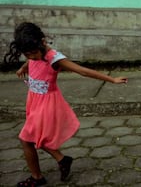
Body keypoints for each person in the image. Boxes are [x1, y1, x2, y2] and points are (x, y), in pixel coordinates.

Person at [3, 22, 128, 186]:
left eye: (34, 53)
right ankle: (62, 160)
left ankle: (37, 178)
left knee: (26, 139)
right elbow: (32, 61)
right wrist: (24, 67)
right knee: (34, 138)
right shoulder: (33, 54)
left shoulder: (54, 59)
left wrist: (111, 79)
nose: (32, 57)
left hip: (47, 105)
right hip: (34, 101)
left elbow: (83, 71)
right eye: (27, 55)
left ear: (42, 42)